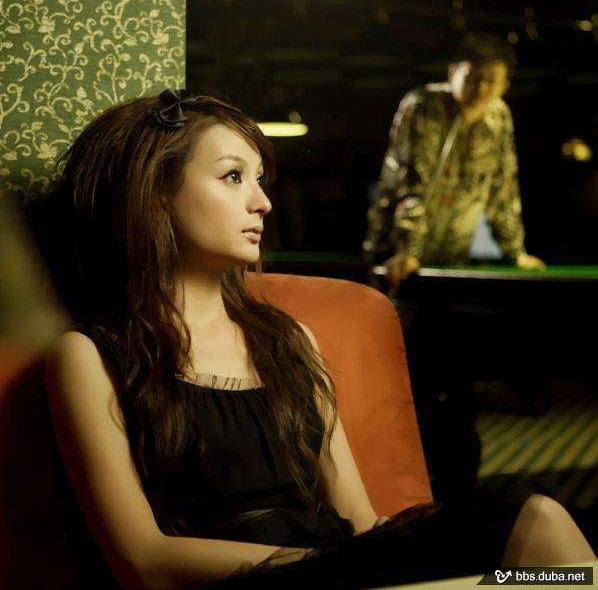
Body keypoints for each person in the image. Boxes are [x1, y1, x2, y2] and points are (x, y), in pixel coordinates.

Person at [42, 90, 594, 589]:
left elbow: (360, 521)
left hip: (346, 569)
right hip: (268, 580)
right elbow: (141, 559)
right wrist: (321, 565)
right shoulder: (90, 356)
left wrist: (414, 561)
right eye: (233, 176)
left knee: (542, 551)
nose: (262, 202)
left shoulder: (289, 340)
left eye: (260, 180)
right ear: (156, 193)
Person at [363, 32, 545, 288]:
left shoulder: (499, 117)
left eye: (491, 81)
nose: (481, 88)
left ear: (505, 86)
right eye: (473, 77)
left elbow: (503, 191)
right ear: (452, 72)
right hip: (394, 255)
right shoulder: (424, 105)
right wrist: (407, 251)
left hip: (454, 258)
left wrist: (516, 253)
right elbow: (413, 185)